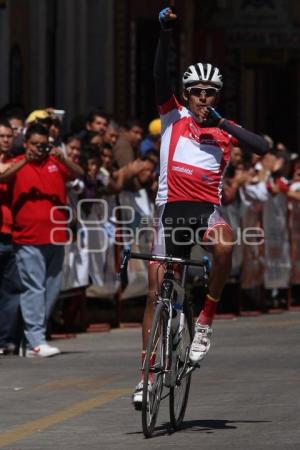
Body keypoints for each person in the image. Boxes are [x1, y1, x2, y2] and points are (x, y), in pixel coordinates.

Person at [132, 7, 268, 407]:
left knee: (226, 246)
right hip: (169, 210)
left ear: (216, 96)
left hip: (205, 211)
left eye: (210, 92)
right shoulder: (172, 117)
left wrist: (223, 123)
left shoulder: (224, 134)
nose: (203, 98)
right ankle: (144, 376)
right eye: (197, 91)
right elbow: (158, 76)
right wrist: (163, 34)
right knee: (155, 292)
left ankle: (206, 319)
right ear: (187, 94)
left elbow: (261, 146)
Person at [0, 123, 84, 357]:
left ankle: (33, 336)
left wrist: (63, 157)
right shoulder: (16, 164)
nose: (39, 149)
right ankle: (34, 340)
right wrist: (25, 160)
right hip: (27, 237)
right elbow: (3, 176)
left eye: (43, 144)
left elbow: (80, 174)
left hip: (56, 236)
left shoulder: (56, 163)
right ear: (26, 143)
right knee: (34, 288)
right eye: (35, 144)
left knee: (52, 288)